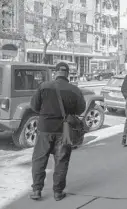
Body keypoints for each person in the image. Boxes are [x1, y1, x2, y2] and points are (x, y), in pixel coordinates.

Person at [29, 62, 86, 201]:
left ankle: (37, 190)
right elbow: (80, 110)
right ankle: (58, 192)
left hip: (45, 128)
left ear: (55, 73)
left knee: (39, 159)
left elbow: (34, 106)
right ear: (67, 74)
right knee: (62, 160)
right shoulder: (74, 90)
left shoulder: (44, 86)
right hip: (64, 130)